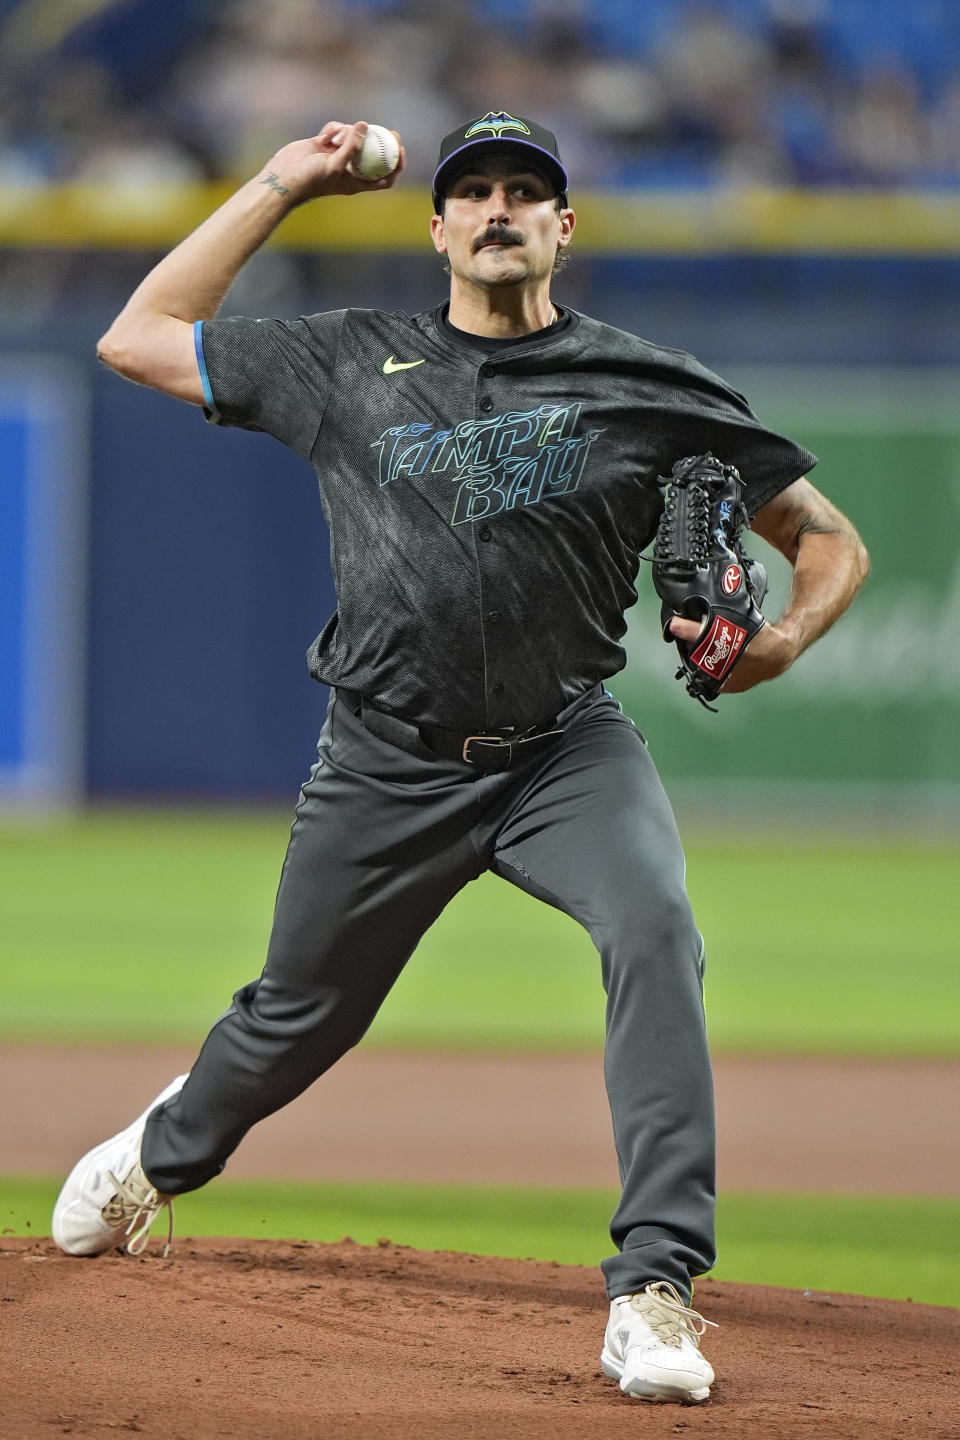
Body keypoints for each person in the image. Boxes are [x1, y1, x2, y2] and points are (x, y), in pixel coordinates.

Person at [52, 111, 869, 1405]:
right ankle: (160, 1151)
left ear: (564, 224)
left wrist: (777, 646)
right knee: (294, 1018)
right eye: (474, 192)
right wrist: (284, 182)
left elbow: (828, 542)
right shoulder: (344, 360)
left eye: (525, 192)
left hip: (564, 751)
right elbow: (134, 335)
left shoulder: (649, 385)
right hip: (386, 755)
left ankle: (656, 1289)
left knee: (656, 927)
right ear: (436, 227)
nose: (499, 209)